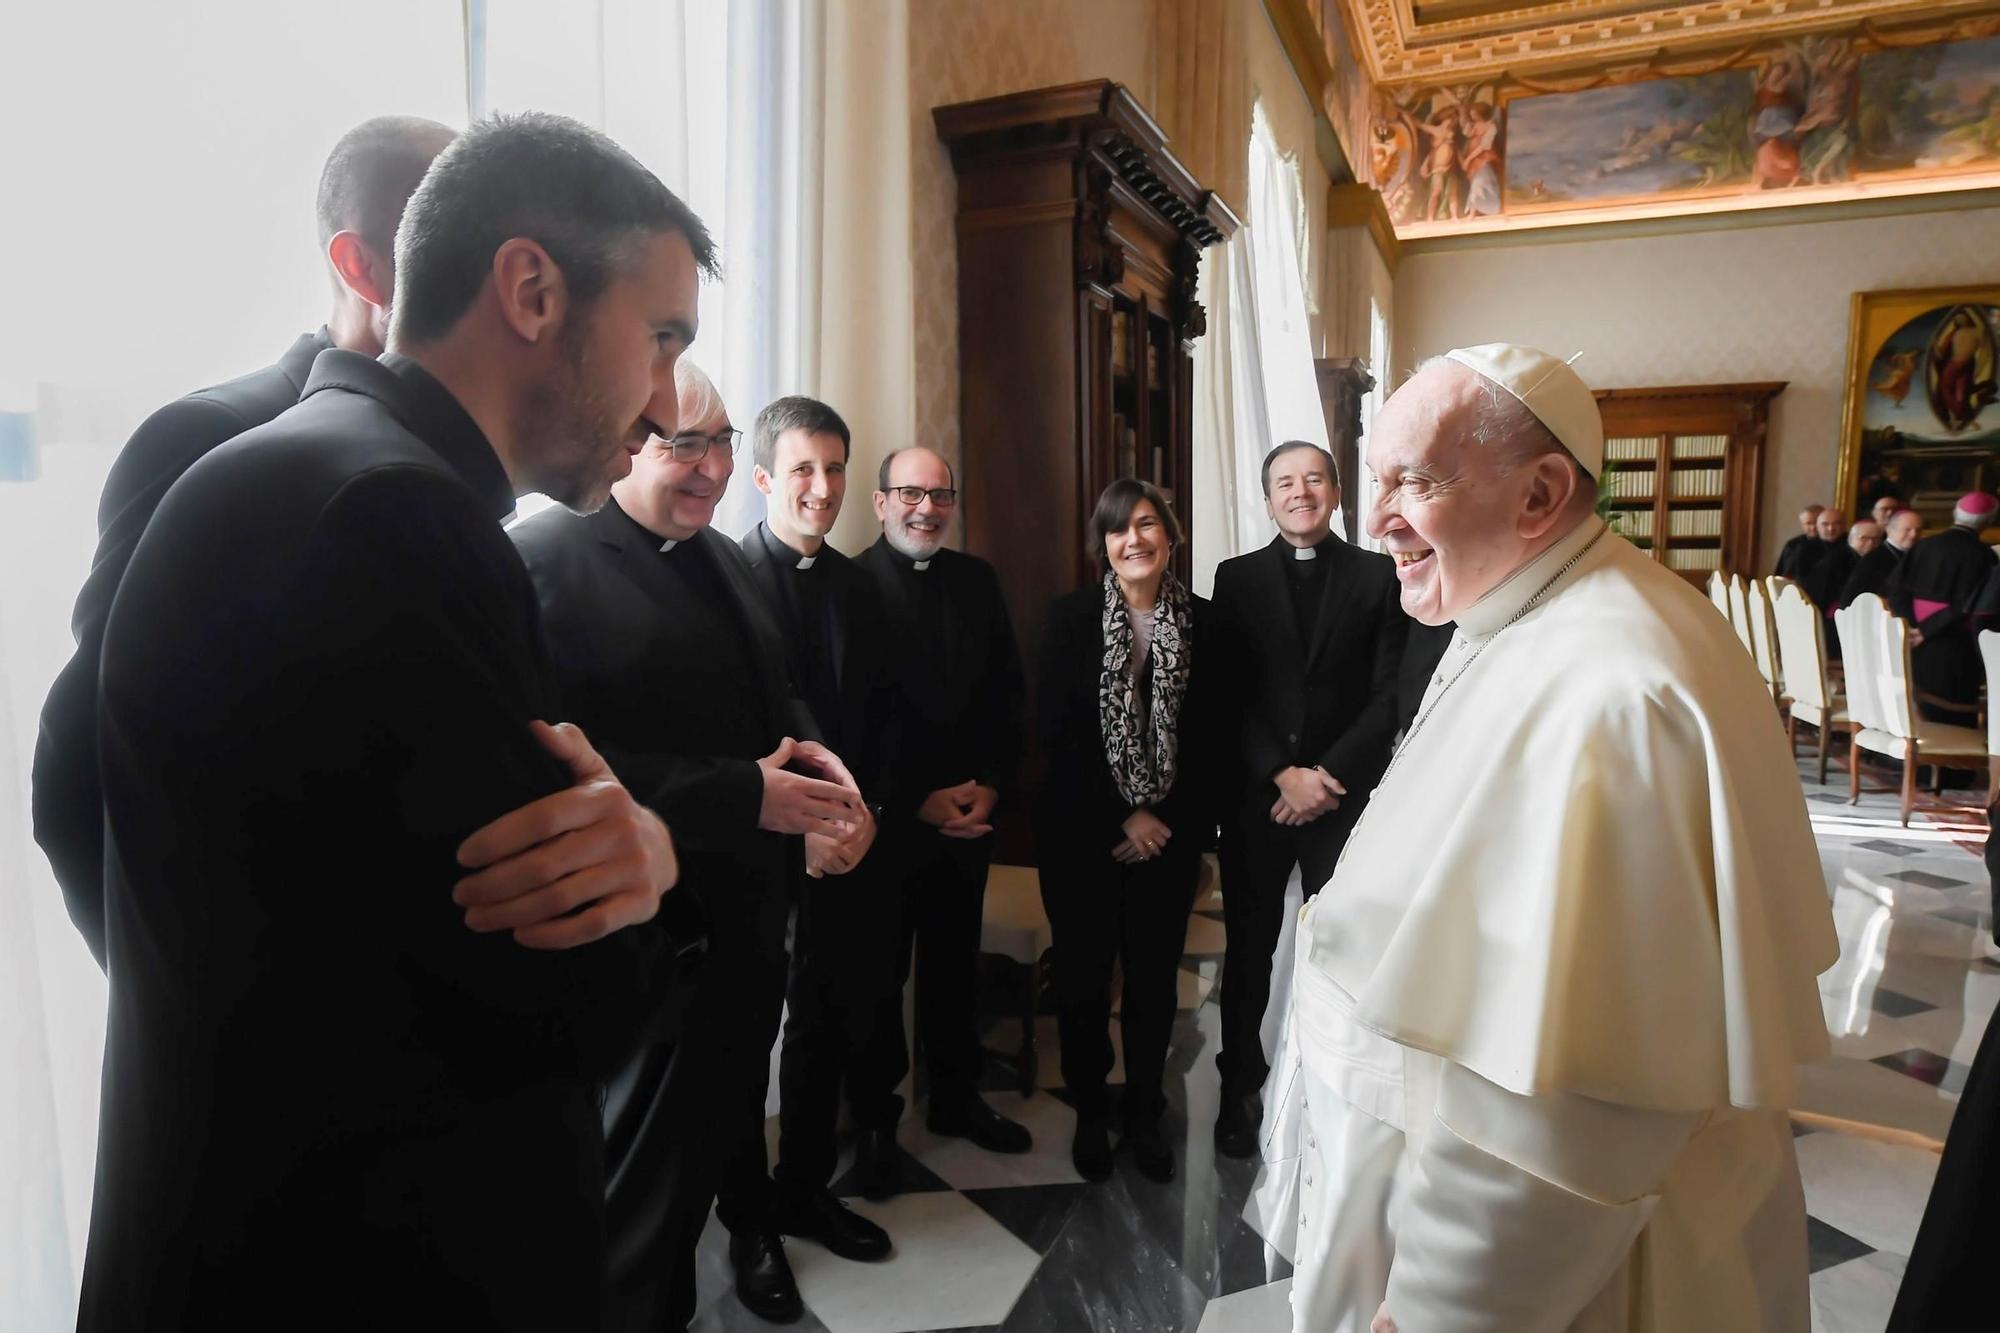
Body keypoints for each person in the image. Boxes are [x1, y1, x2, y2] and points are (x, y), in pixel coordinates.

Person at [79, 111, 714, 1331]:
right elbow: (564, 991)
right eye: (660, 335)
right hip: (364, 1263)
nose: (659, 402)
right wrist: (656, 862)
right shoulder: (398, 521)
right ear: (531, 289)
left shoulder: (293, 468)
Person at [1288, 344, 1837, 1332]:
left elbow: (1558, 1111)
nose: (1374, 520)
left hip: (1543, 1281)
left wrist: (1433, 1311)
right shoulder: (1520, 608)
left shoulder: (1607, 695)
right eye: (1375, 482)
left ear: (1540, 492)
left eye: (1412, 482)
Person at [33, 114, 457, 966]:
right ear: (361, 265)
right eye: (456, 251)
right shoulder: (205, 436)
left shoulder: (455, 465)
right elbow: (77, 771)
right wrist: (179, 1004)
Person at [510, 363, 867, 1328]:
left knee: (731, 1116)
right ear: (626, 441)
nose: (710, 469)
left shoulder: (723, 557)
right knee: (638, 1218)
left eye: (719, 442)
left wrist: (823, 773)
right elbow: (550, 760)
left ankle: (752, 1231)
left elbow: (775, 691)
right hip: (641, 949)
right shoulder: (545, 554)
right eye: (684, 444)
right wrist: (749, 792)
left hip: (748, 928)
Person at [1209, 441, 1406, 1159]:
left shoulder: (1378, 575)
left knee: (1344, 948)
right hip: (1259, 802)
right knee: (1250, 952)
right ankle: (1239, 1089)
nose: (1300, 492)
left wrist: (1323, 776)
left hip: (1342, 801)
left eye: (1313, 479)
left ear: (1336, 491)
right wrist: (1279, 773)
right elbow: (1228, 692)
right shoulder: (1235, 579)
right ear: (1268, 500)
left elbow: (1389, 693)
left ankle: (1336, 1081)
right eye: (1285, 483)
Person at [739, 396, 902, 1265]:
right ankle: (748, 1222)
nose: (822, 487)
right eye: (803, 468)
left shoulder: (859, 584)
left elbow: (876, 719)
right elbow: (733, 726)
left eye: (835, 468)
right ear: (764, 475)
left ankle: (804, 1188)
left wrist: (862, 818)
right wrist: (801, 829)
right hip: (762, 844)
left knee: (827, 1017)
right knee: (746, 1035)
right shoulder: (727, 576)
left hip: (851, 839)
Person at [851, 445, 1033, 1193]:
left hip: (966, 815)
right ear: (881, 500)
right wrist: (916, 795)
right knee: (877, 980)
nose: (927, 507)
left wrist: (989, 786)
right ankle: (873, 1129)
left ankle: (957, 1099)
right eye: (911, 492)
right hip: (889, 821)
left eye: (940, 494)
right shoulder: (849, 585)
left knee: (955, 968)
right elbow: (854, 717)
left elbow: (1005, 695)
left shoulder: (977, 579)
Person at [1035, 479, 1221, 1184]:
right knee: (1082, 983)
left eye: (1147, 525)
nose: (1133, 539)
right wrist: (1123, 815)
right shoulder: (1068, 619)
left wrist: (1162, 820)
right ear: (1103, 544)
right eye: (1118, 528)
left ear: (1170, 536)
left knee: (1151, 984)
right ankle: (1090, 1106)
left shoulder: (1207, 623)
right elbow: (1055, 735)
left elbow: (1213, 740)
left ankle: (1145, 1108)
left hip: (1167, 844)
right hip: (1082, 836)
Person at [1889, 491, 1997, 718]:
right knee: (1952, 714)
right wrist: (1927, 630)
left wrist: (1910, 626)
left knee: (1911, 706)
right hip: (1954, 643)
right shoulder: (1984, 555)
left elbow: (1897, 590)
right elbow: (1972, 605)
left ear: (1955, 513)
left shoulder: (1924, 545)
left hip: (1912, 641)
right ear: (1988, 521)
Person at [1837, 510, 1916, 608]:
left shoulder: (1914, 553)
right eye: (1907, 529)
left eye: (1875, 539)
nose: (1914, 535)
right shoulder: (1872, 560)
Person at [1773, 502, 1825, 578]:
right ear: (1802, 525)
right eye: (1809, 523)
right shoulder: (1792, 545)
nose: (1813, 527)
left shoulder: (1832, 545)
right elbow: (1780, 573)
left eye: (1816, 522)